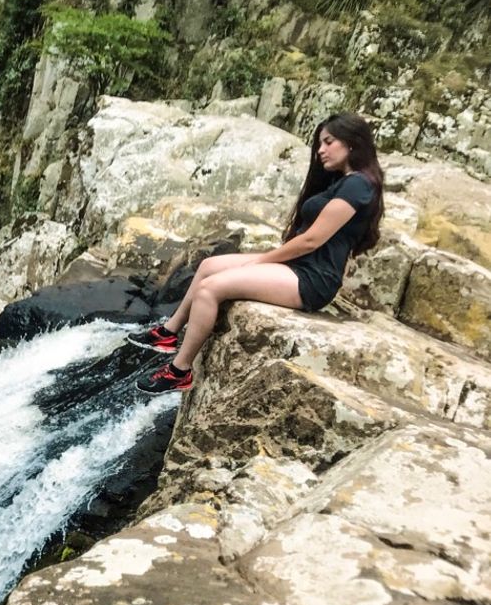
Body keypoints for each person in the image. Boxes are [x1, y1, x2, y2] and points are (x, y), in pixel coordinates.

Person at [128, 112, 385, 394]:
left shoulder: (358, 184)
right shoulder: (341, 181)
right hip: (296, 266)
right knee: (210, 266)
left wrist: (261, 260)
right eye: (319, 143)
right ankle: (168, 333)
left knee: (210, 289)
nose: (320, 150)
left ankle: (180, 370)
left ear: (351, 143)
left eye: (328, 142)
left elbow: (312, 240)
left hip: (312, 279)